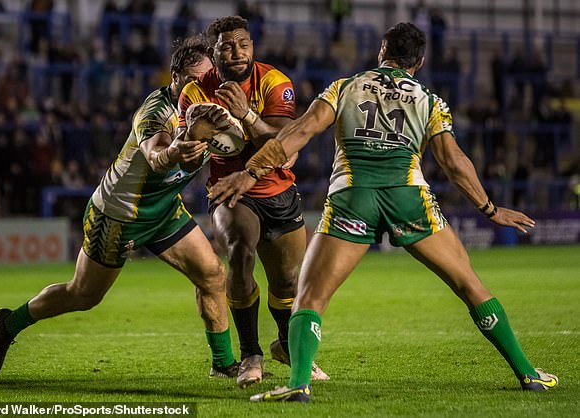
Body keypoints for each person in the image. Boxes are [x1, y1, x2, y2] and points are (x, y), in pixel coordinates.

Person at [209, 22, 559, 402]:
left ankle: (298, 384)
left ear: (381, 51)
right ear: (420, 61)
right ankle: (528, 373)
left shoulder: (345, 87)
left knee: (309, 298)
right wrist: (490, 209)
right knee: (470, 286)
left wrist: (250, 172)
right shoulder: (428, 99)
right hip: (409, 197)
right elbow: (453, 162)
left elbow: (298, 133)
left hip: (353, 197)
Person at [0, 35, 240, 379]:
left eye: (207, 80)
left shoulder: (213, 106)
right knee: (83, 295)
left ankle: (223, 364)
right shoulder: (157, 111)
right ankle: (8, 324)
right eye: (193, 81)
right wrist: (175, 153)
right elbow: (155, 156)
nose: (201, 88)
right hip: (118, 214)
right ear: (174, 78)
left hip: (162, 208)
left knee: (212, 274)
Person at [177, 15, 328, 388]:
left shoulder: (275, 82)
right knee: (241, 253)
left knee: (288, 282)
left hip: (278, 190)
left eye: (243, 44)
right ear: (214, 52)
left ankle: (289, 349)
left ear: (252, 46)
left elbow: (282, 146)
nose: (237, 52)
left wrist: (244, 113)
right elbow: (188, 151)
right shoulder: (195, 93)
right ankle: (250, 355)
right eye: (227, 45)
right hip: (230, 191)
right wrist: (199, 129)